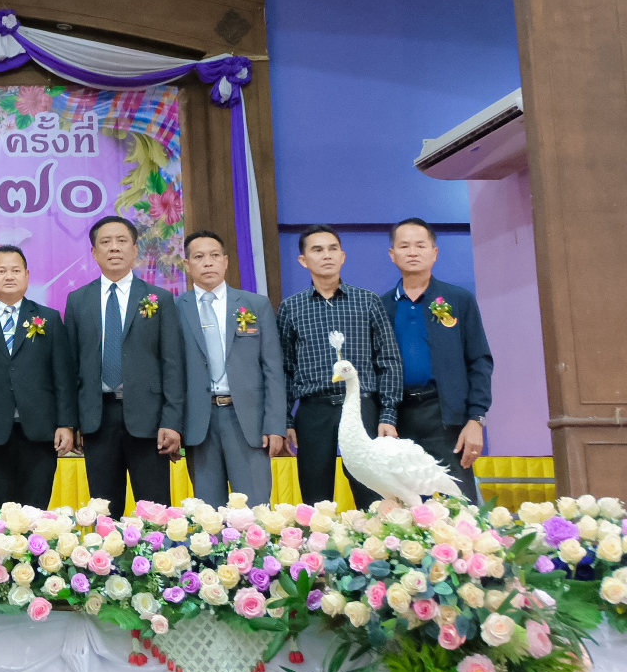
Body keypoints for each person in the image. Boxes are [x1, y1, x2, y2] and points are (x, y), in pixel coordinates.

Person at [63, 215, 185, 516]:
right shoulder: (78, 300)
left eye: (121, 241)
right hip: (97, 419)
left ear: (135, 249)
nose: (114, 248)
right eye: (105, 242)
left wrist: (171, 420)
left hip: (150, 420)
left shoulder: (159, 299)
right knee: (104, 512)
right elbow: (70, 367)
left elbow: (172, 364)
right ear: (94, 253)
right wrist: (72, 422)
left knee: (155, 512)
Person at [278, 225, 403, 508]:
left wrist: (388, 413)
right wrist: (286, 420)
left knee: (372, 495)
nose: (327, 255)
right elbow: (285, 368)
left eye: (333, 249)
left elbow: (388, 360)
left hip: (362, 407)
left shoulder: (368, 301)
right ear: (303, 260)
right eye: (317, 250)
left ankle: (376, 537)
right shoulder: (291, 308)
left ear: (343, 256)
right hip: (314, 410)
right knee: (316, 499)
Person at [379, 217, 493, 502]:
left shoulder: (458, 300)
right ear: (392, 254)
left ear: (435, 252)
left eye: (420, 245)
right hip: (398, 420)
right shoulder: (380, 306)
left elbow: (479, 362)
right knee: (405, 508)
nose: (412, 252)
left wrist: (476, 420)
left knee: (460, 505)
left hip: (446, 417)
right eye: (404, 246)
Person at [0, 245, 74, 510]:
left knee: (35, 512)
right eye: (1, 271)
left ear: (27, 275)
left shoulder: (49, 319)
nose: (9, 276)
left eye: (15, 270)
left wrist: (66, 424)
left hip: (39, 431)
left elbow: (63, 377)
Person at [177, 231, 286, 506]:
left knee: (254, 511)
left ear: (225, 261)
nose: (208, 262)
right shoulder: (176, 308)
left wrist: (275, 424)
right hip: (200, 423)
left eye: (214, 255)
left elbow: (273, 368)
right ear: (187, 265)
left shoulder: (255, 305)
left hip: (248, 421)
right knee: (208, 514)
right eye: (199, 257)